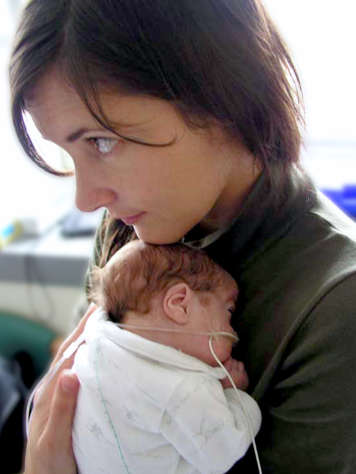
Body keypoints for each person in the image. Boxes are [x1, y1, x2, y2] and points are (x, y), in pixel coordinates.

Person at [8, 0, 356, 473]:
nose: (86, 199)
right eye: (70, 152)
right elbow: (67, 387)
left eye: (102, 141)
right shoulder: (131, 224)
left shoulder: (335, 307)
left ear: (220, 94)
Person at [72, 240, 261, 473]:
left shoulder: (95, 347)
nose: (233, 332)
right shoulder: (184, 389)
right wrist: (235, 396)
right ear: (180, 304)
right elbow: (223, 452)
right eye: (228, 312)